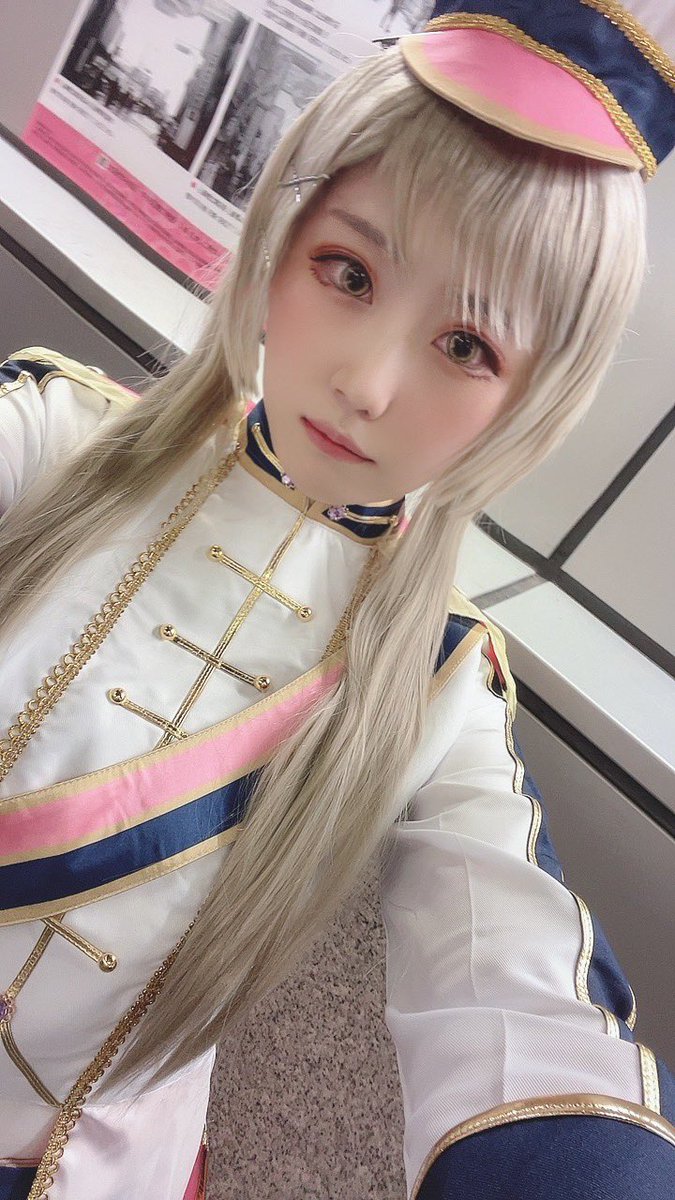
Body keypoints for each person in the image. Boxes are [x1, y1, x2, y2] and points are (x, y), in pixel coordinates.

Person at [1, 3, 674, 1197]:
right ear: (280, 238)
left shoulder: (438, 685)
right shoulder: (52, 433)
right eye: (349, 272)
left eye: (467, 347)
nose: (366, 382)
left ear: (529, 401)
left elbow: (521, 997)